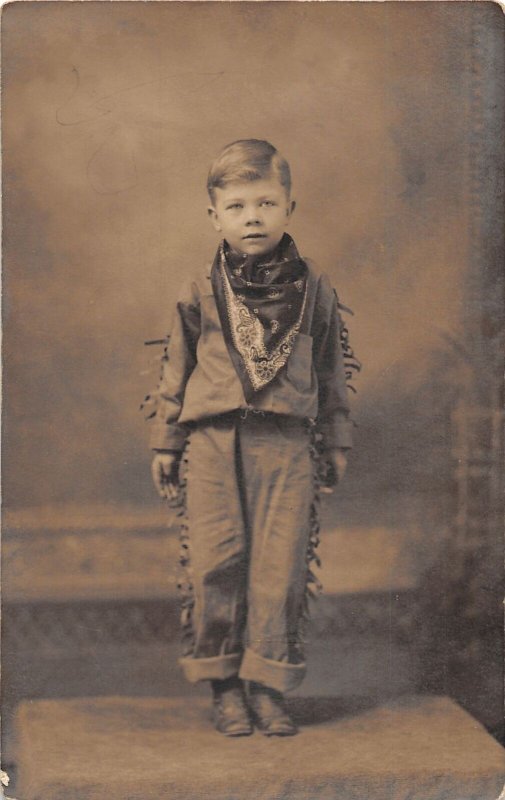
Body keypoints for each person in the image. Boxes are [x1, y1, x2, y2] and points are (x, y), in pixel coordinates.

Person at [145, 139, 357, 737]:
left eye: (266, 203)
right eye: (236, 206)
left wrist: (336, 439)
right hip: (212, 443)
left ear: (291, 206)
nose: (253, 217)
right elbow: (176, 368)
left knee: (279, 567)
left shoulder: (314, 287)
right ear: (214, 215)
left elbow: (331, 371)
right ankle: (226, 687)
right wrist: (166, 441)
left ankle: (268, 689)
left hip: (286, 445)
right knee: (217, 561)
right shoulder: (201, 288)